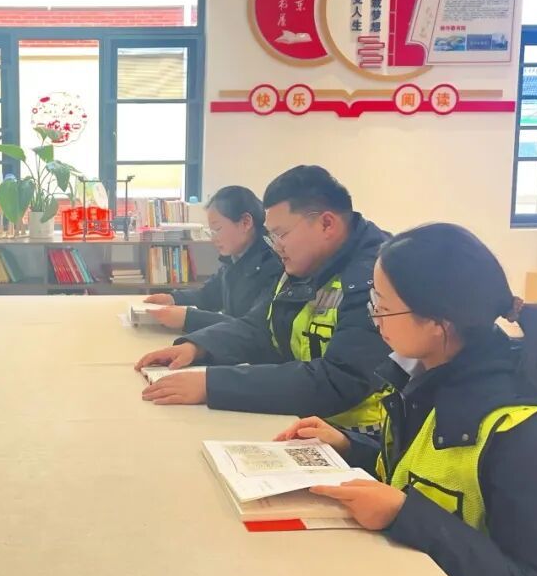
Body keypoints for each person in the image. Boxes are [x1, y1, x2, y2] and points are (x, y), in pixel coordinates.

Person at [276, 223, 537, 576]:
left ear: (438, 322)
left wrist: (404, 516)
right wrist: (349, 446)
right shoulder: (436, 378)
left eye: (382, 306)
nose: (374, 318)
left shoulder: (527, 434)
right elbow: (431, 473)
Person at [135, 165, 391, 434]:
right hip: (307, 420)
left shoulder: (377, 276)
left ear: (327, 223)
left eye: (282, 234)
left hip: (360, 438)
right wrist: (198, 347)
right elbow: (260, 326)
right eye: (272, 236)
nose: (276, 246)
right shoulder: (306, 262)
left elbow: (338, 380)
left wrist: (212, 385)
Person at [141, 185, 282, 332]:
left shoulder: (273, 265)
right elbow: (208, 295)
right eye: (211, 232)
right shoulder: (236, 257)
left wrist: (188, 319)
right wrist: (172, 298)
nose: (213, 239)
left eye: (217, 229)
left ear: (245, 223)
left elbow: (252, 327)